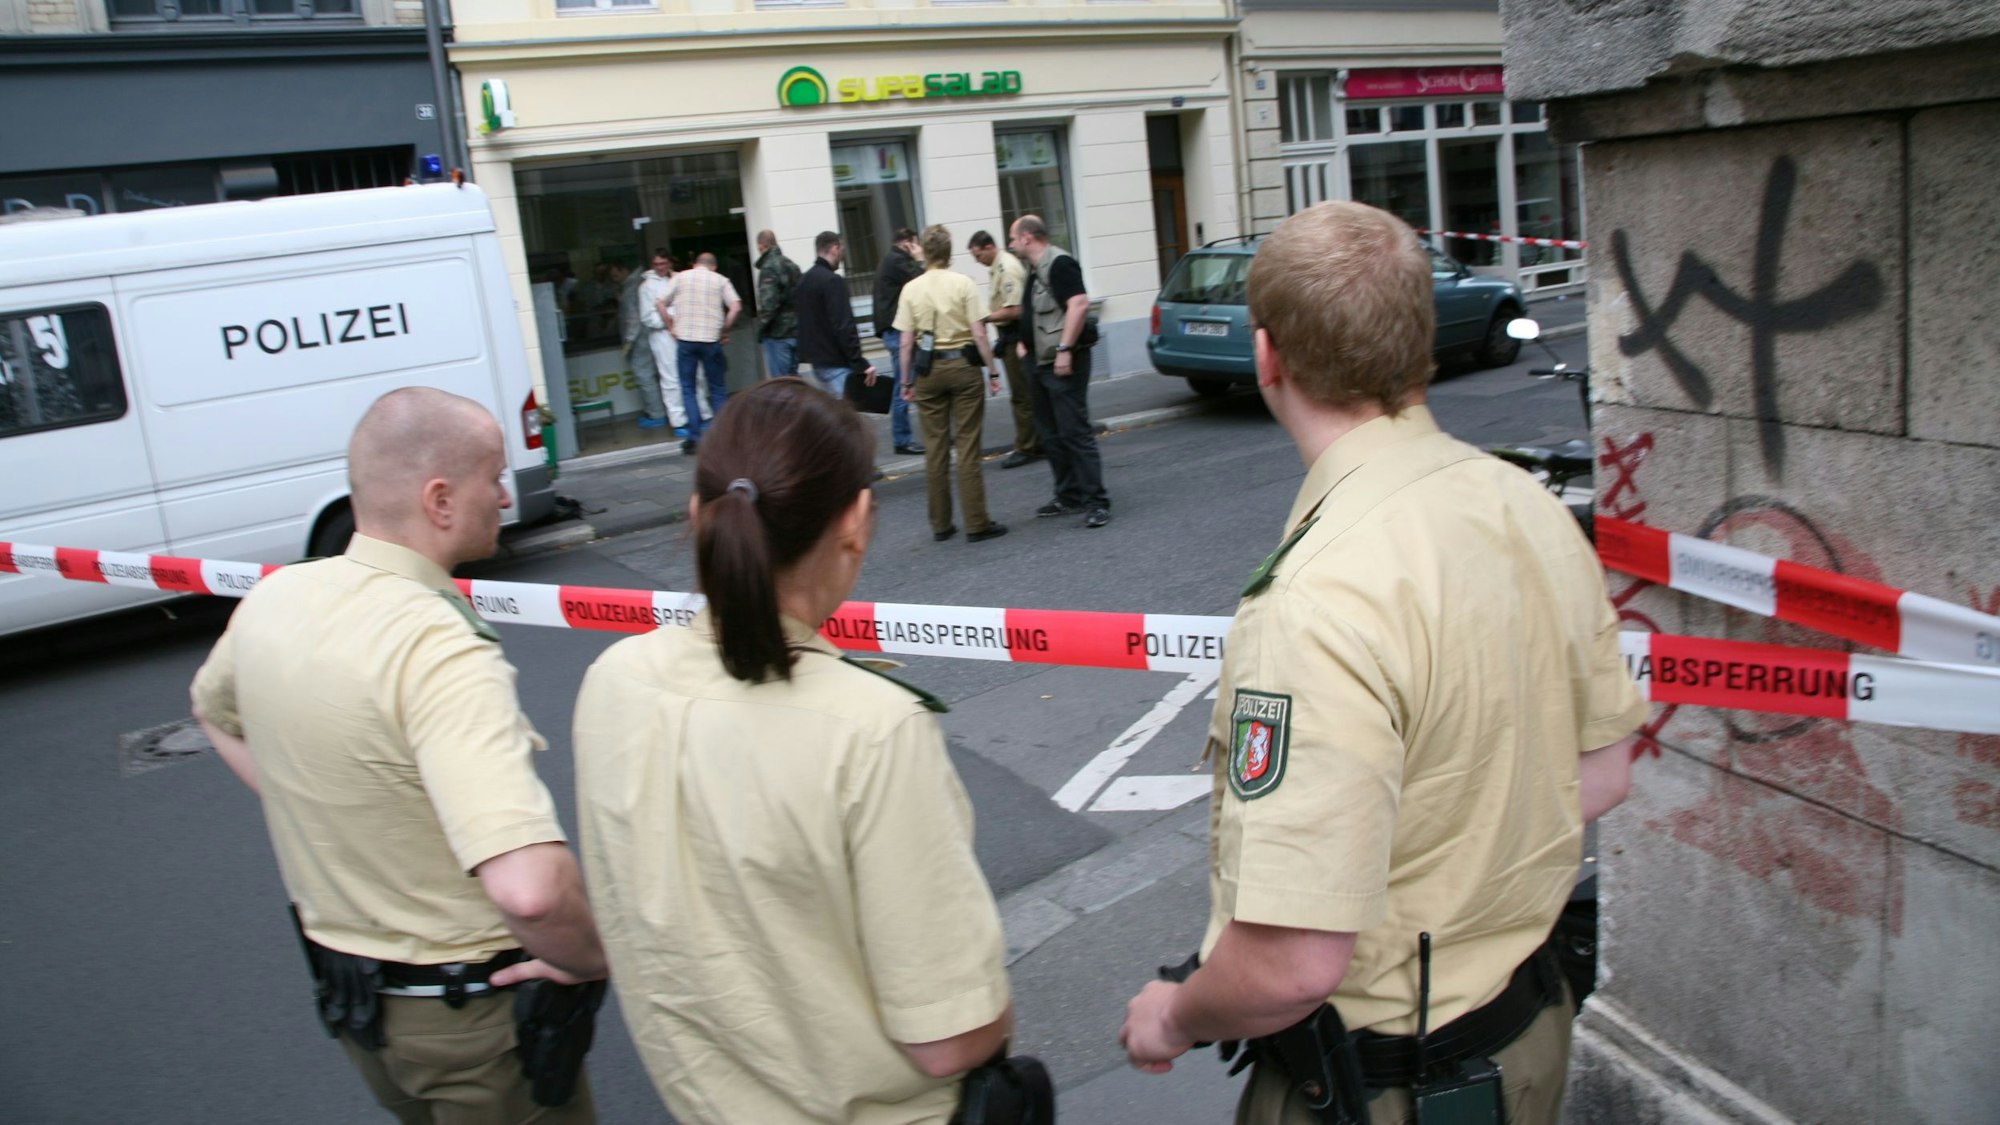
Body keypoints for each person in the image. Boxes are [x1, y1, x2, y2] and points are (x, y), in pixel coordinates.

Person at [1115, 202, 1646, 1125]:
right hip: (1529, 1034)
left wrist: (1172, 1016)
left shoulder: (1314, 601)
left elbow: (1291, 965)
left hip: (1387, 1089)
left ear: (1268, 356)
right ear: (1419, 342)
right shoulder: (1525, 503)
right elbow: (1600, 775)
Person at [572, 378, 1016, 1124]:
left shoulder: (613, 681)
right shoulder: (872, 727)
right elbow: (952, 1036)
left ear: (696, 515)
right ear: (859, 523)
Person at [189, 387, 609, 1123]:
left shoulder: (274, 599)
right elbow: (530, 889)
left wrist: (312, 803)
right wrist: (592, 958)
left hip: (361, 1015)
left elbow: (211, 711)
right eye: (493, 476)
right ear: (440, 499)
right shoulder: (437, 645)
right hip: (476, 1023)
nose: (505, 496)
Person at [895, 224, 1006, 544]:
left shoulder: (911, 289)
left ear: (924, 252)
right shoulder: (963, 283)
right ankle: (976, 522)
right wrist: (993, 371)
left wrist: (906, 381)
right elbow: (980, 333)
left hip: (928, 372)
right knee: (968, 447)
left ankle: (941, 524)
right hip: (963, 368)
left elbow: (905, 343)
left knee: (935, 449)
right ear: (948, 251)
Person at [1009, 215, 1110, 529]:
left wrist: (1065, 349)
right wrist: (1025, 343)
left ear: (1027, 237)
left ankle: (1097, 502)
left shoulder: (1060, 263)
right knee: (1051, 435)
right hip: (1039, 363)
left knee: (1075, 433)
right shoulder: (1035, 268)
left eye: (1013, 237)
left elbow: (1079, 304)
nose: (1010, 243)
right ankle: (1068, 495)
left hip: (1063, 363)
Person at [968, 229, 1042, 470]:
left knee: (1022, 396)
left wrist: (984, 318)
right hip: (1010, 336)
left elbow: (1016, 309)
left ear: (989, 247)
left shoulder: (1006, 268)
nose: (977, 261)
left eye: (978, 255)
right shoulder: (998, 266)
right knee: (1027, 394)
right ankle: (1037, 441)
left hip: (1016, 337)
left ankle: (1028, 447)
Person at [665, 251, 741, 454]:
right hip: (710, 341)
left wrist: (670, 326)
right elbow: (735, 306)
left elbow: (659, 302)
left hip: (686, 341)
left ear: (695, 264)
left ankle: (694, 438)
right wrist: (724, 330)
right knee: (717, 388)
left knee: (688, 388)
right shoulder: (720, 280)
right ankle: (724, 438)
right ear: (713, 266)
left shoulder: (679, 277)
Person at [794, 230, 875, 402]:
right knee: (849, 420)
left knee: (835, 419)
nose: (842, 254)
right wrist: (859, 362)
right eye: (842, 249)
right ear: (835, 248)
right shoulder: (832, 281)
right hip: (837, 362)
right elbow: (843, 325)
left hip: (818, 363)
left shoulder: (804, 281)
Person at [873, 227, 926, 456]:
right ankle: (902, 439)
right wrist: (920, 259)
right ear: (907, 243)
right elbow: (922, 280)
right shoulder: (897, 260)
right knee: (903, 384)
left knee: (909, 382)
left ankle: (908, 436)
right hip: (897, 330)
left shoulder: (892, 259)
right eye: (914, 244)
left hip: (894, 329)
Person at [613, 258, 671, 431]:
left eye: (615, 275)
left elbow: (633, 318)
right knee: (659, 375)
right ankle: (663, 411)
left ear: (623, 269)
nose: (614, 279)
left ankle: (657, 414)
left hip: (640, 339)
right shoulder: (643, 282)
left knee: (645, 376)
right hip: (651, 335)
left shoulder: (632, 287)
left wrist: (628, 342)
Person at [638, 249, 692, 435]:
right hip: (662, 336)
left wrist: (675, 316)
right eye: (656, 264)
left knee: (694, 374)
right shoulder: (646, 287)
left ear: (670, 262)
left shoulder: (681, 278)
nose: (660, 267)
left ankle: (698, 415)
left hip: (686, 332)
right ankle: (678, 421)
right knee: (671, 378)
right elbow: (647, 318)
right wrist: (672, 318)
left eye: (663, 263)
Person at [754, 229, 802, 380]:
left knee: (781, 385)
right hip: (795, 331)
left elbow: (769, 304)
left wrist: (761, 330)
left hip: (777, 334)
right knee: (794, 382)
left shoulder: (768, 267)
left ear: (761, 246)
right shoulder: (792, 265)